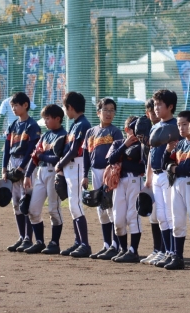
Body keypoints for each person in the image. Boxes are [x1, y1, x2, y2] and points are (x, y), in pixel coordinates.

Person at [162, 110, 190, 270]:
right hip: (177, 185)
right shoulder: (179, 144)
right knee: (177, 221)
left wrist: (174, 168)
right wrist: (167, 151)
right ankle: (177, 256)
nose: (181, 128)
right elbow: (164, 163)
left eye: (184, 124)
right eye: (179, 125)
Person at [22, 104, 67, 254]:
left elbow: (58, 159)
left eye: (48, 118)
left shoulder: (64, 135)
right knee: (33, 210)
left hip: (54, 173)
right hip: (40, 172)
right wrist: (27, 175)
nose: (45, 121)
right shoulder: (45, 135)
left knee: (53, 209)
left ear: (57, 118)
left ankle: (54, 243)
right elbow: (34, 157)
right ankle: (40, 242)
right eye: (45, 119)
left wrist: (41, 156)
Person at [82, 98, 123, 259]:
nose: (109, 113)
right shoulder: (90, 132)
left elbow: (119, 155)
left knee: (110, 208)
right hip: (95, 172)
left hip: (109, 173)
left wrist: (114, 175)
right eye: (105, 110)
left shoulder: (115, 132)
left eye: (112, 110)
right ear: (98, 112)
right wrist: (84, 175)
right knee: (101, 210)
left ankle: (115, 245)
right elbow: (86, 155)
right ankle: (106, 244)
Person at [1, 92, 41, 253]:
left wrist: (22, 167)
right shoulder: (13, 125)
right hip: (13, 162)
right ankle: (21, 236)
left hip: (27, 164)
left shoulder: (32, 126)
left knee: (26, 202)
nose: (13, 108)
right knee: (16, 202)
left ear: (25, 105)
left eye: (16, 105)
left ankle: (28, 238)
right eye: (12, 106)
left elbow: (32, 149)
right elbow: (6, 149)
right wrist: (4, 168)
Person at [55, 92, 92, 258]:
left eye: (65, 107)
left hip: (77, 164)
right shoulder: (76, 123)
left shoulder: (82, 124)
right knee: (72, 206)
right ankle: (78, 242)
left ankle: (85, 244)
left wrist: (59, 164)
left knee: (76, 205)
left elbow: (73, 149)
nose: (65, 111)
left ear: (70, 107)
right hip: (71, 166)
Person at [144, 89, 178, 267]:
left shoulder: (175, 126)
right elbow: (151, 153)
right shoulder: (155, 126)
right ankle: (165, 252)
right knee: (161, 216)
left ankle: (173, 252)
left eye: (160, 104)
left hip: (168, 174)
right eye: (155, 104)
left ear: (170, 106)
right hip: (156, 175)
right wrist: (148, 177)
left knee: (170, 216)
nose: (156, 108)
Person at [106, 116, 146, 263]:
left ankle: (133, 250)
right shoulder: (118, 143)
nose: (135, 132)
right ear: (126, 129)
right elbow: (110, 160)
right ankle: (123, 250)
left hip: (135, 180)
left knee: (132, 216)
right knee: (118, 219)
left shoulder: (142, 145)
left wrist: (122, 163)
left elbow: (142, 168)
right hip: (119, 182)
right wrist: (125, 145)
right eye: (132, 129)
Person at [140, 99, 165, 265]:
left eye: (157, 108)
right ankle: (157, 249)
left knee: (163, 216)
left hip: (163, 175)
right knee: (154, 216)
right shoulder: (149, 131)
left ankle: (165, 250)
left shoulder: (166, 129)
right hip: (152, 175)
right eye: (151, 110)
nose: (154, 113)